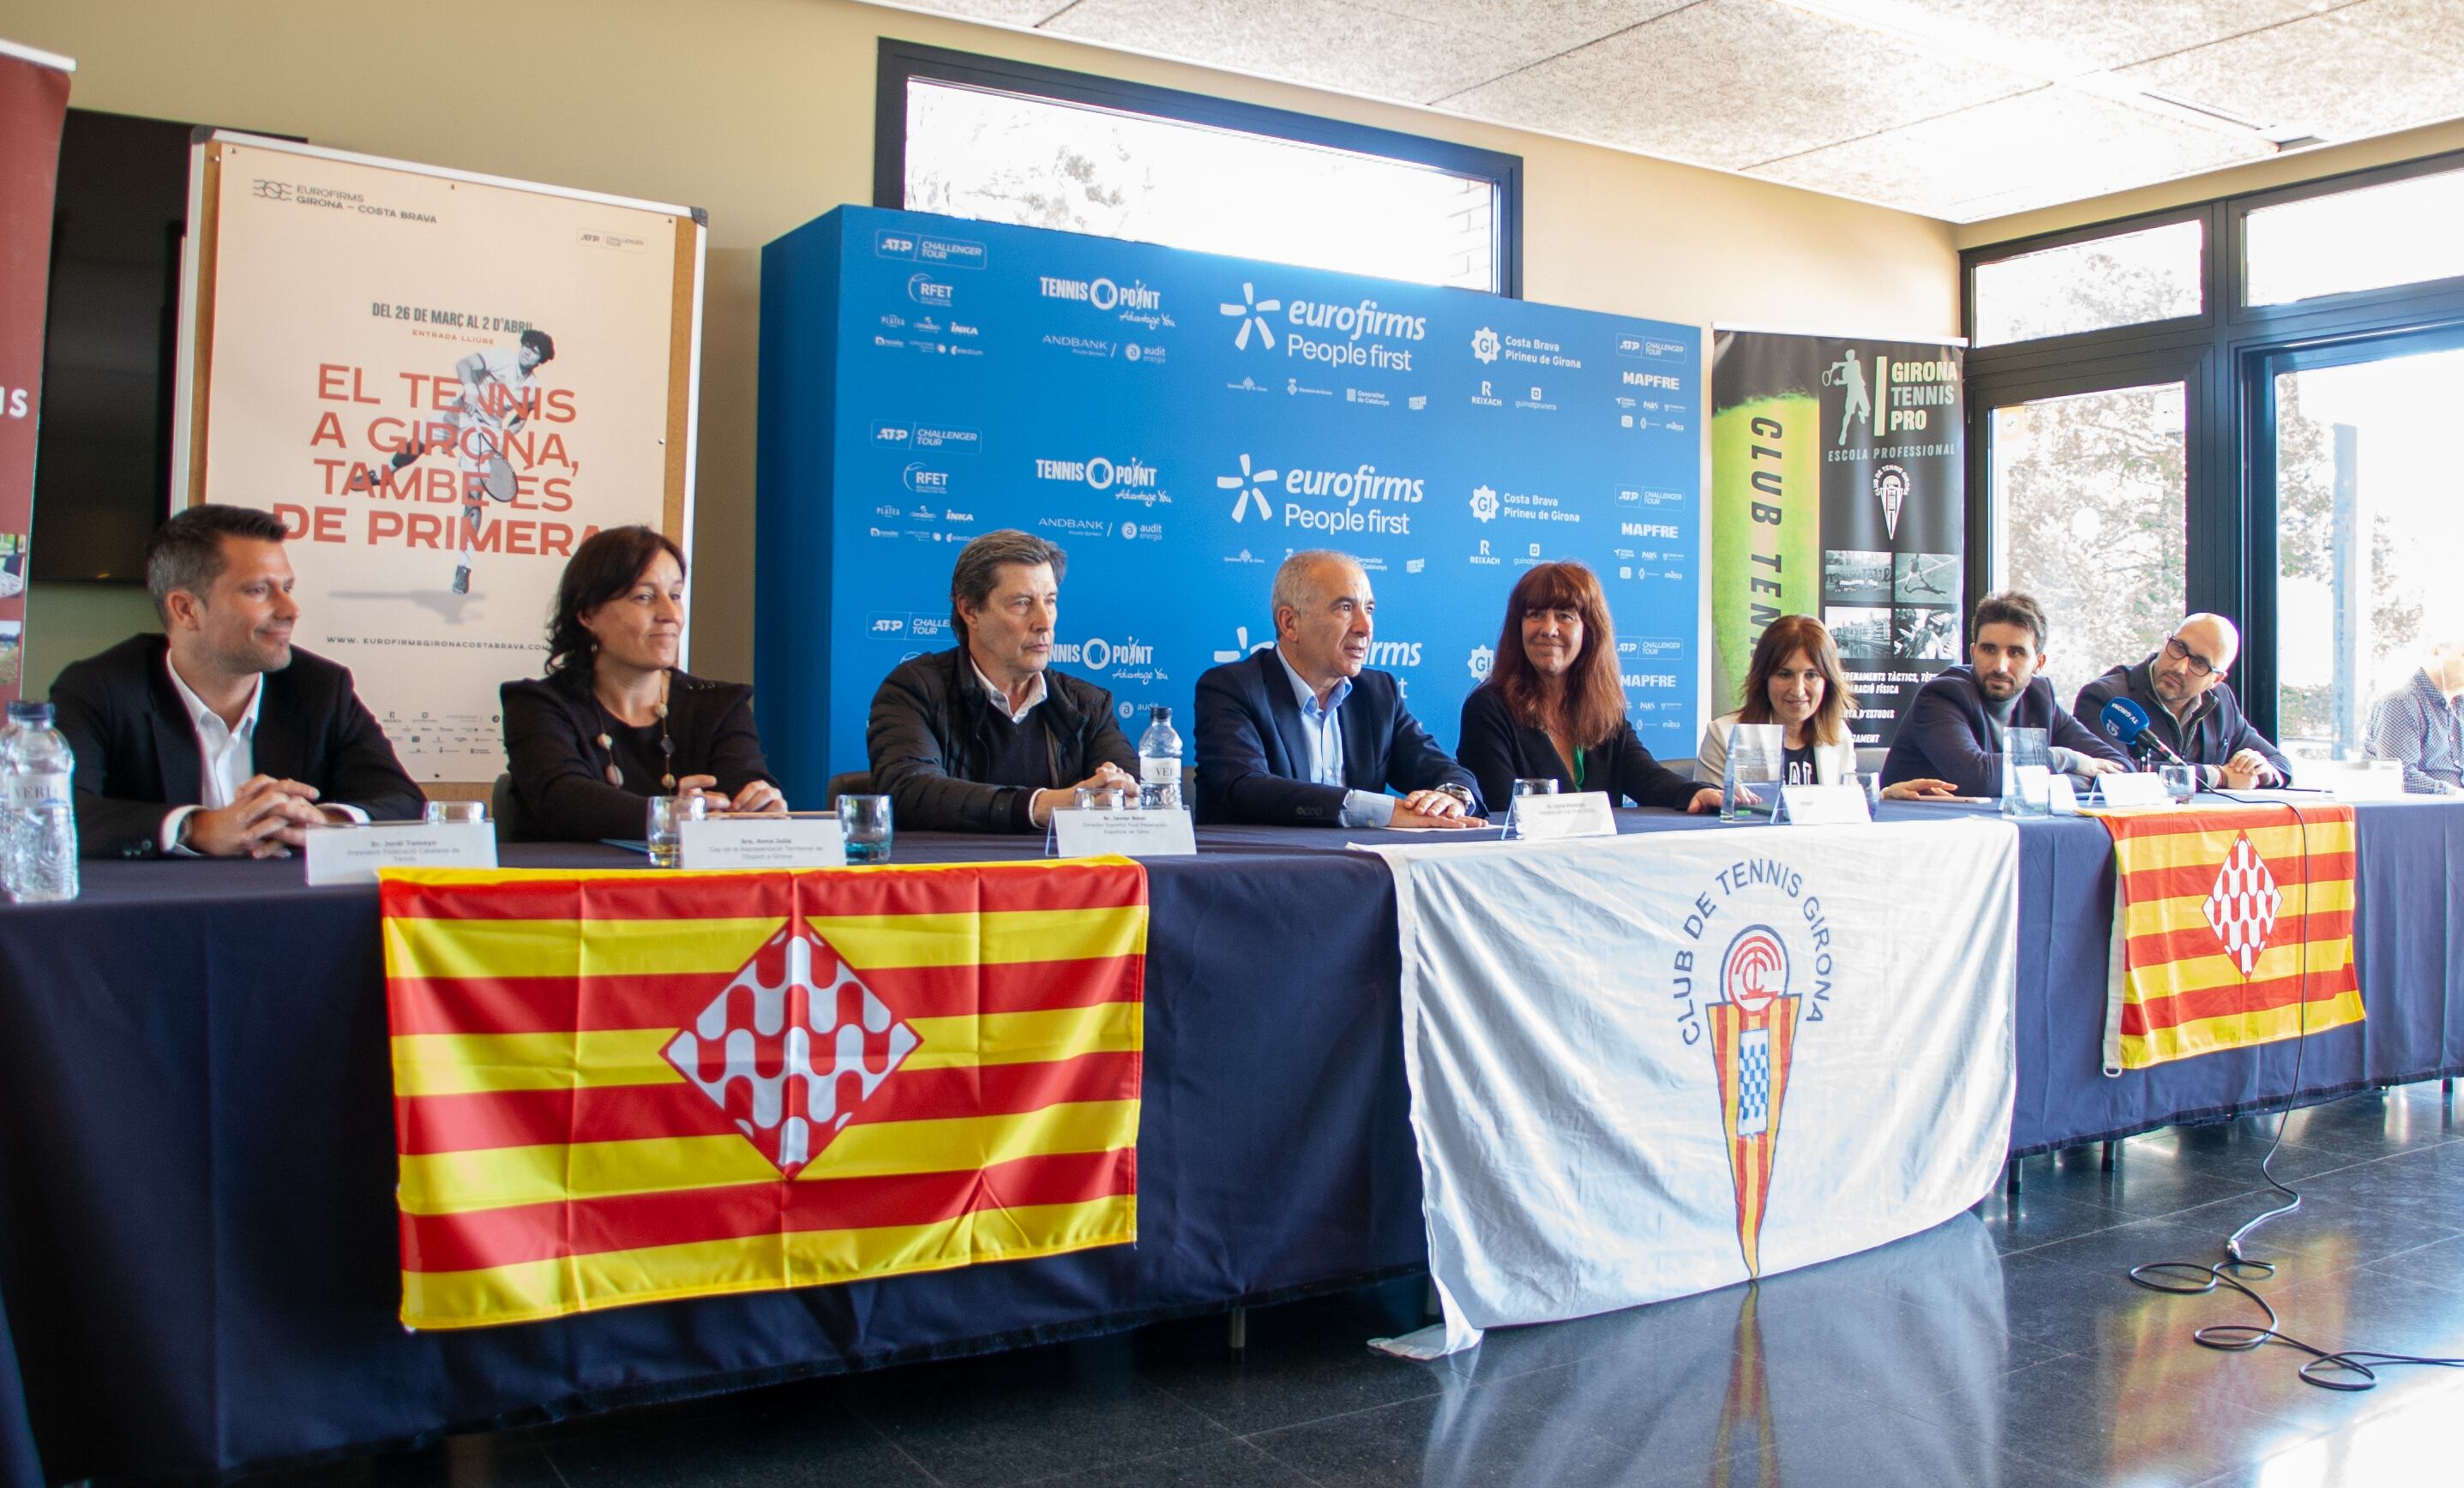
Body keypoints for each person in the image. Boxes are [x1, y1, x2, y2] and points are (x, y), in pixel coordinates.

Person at [51, 503, 424, 859]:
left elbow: (401, 799)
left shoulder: (321, 688)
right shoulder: (99, 689)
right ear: (186, 609)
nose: (290, 610)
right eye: (258, 591)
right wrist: (197, 828)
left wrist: (324, 820)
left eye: (287, 588)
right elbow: (55, 812)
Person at [501, 525, 784, 840]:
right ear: (588, 614)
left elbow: (742, 789)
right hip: (573, 886)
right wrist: (672, 814)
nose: (670, 614)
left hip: (693, 888)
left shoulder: (719, 705)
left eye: (675, 595)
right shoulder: (537, 704)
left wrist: (759, 804)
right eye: (644, 597)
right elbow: (564, 800)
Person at [867, 530, 1137, 832]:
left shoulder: (1087, 704)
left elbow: (1132, 793)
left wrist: (1119, 791)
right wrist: (1044, 805)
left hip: (1063, 877)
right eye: (1022, 603)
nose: (1044, 622)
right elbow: (910, 792)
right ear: (969, 610)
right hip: (958, 874)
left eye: (1050, 601)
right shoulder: (915, 690)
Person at [1195, 549, 1481, 827]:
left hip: (1359, 869)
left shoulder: (1378, 693)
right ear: (1290, 623)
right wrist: (1377, 810)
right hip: (1262, 870)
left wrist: (1450, 797)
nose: (1365, 627)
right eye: (1345, 608)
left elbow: (1441, 768)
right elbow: (1247, 788)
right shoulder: (1232, 688)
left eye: (1369, 609)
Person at [1457, 561, 1718, 813]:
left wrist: (1694, 793)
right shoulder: (1487, 708)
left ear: (1589, 630)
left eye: (1565, 616)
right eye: (1535, 615)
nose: (1549, 629)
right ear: (1518, 629)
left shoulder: (1603, 707)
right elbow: (1501, 808)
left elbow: (1645, 775)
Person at [349, 328, 556, 596]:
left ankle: (464, 566)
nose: (527, 351)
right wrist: (470, 389)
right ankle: (382, 474)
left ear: (541, 360)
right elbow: (465, 364)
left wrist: (505, 438)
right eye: (526, 345)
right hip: (458, 412)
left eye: (534, 350)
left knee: (473, 499)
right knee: (417, 443)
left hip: (486, 433)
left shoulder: (531, 387)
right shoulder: (499, 357)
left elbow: (521, 418)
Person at [1881, 590, 2130, 795]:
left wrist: (2039, 784)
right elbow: (1980, 779)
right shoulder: (1941, 697)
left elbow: (2122, 772)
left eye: (2016, 653)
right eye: (1989, 650)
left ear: (2039, 663)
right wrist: (2067, 760)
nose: (2000, 666)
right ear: (1973, 652)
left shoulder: (2040, 699)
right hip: (1923, 838)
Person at [1699, 614, 1957, 798]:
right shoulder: (1724, 735)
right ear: (1763, 678)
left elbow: (1846, 805)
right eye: (1784, 674)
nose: (1798, 690)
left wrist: (1888, 795)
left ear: (1828, 682)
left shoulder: (1839, 736)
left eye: (1811, 675)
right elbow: (1706, 822)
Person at [2073, 614, 2290, 789]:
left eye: (2199, 663)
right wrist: (2219, 776)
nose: (2179, 667)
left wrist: (2262, 772)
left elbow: (2280, 763)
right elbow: (2116, 772)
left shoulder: (2220, 701)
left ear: (2216, 679)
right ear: (2167, 640)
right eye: (2178, 648)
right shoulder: (2106, 697)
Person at [2362, 634, 2464, 795]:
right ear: (2436, 650)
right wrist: (2456, 795)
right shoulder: (2400, 703)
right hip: (2422, 815)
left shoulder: (2460, 708)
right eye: (2463, 655)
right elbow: (2400, 779)